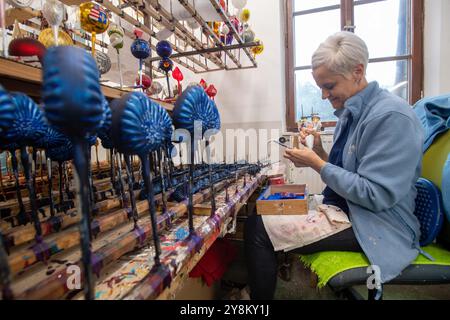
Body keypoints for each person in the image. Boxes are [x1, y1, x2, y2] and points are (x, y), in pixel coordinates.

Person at [244, 31, 425, 300]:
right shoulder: (350, 113)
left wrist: (317, 164)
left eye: (329, 85)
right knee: (258, 215)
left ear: (357, 71)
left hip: (377, 224)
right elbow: (348, 175)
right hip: (350, 209)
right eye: (320, 86)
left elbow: (374, 194)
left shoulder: (391, 117)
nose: (324, 94)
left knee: (258, 230)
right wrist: (320, 153)